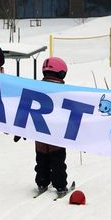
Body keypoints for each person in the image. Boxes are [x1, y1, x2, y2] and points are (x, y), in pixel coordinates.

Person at [33, 57, 71, 198]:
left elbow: (26, 107)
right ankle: (60, 185)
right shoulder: (63, 90)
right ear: (61, 74)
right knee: (57, 160)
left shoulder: (36, 88)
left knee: (41, 159)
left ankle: (42, 182)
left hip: (40, 132)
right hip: (57, 133)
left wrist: (20, 129)